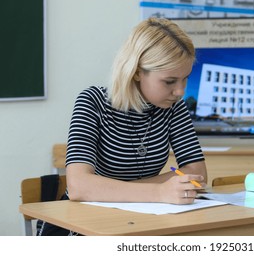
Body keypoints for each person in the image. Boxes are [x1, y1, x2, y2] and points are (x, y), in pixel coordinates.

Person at [37, 17, 207, 236]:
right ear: (137, 71)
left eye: (185, 79)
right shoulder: (92, 101)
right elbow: (80, 186)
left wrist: (111, 188)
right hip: (88, 226)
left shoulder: (174, 108)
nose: (180, 91)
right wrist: (159, 191)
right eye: (169, 81)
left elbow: (197, 175)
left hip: (144, 221)